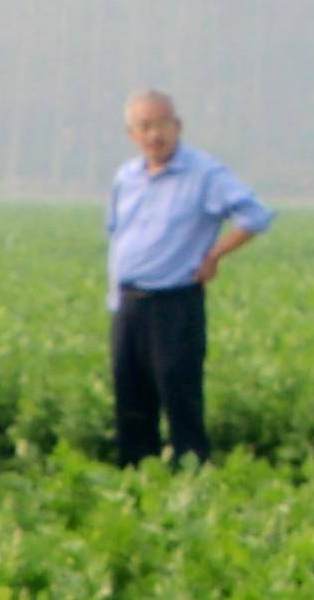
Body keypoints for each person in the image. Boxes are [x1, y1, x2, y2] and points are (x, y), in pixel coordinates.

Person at [104, 89, 271, 464]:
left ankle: (192, 479)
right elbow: (117, 235)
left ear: (177, 126)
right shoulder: (126, 177)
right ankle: (136, 480)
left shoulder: (204, 174)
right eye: (144, 127)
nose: (154, 135)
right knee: (130, 403)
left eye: (162, 124)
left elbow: (255, 216)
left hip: (174, 304)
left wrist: (215, 255)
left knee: (180, 399)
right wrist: (115, 299)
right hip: (129, 305)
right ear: (131, 134)